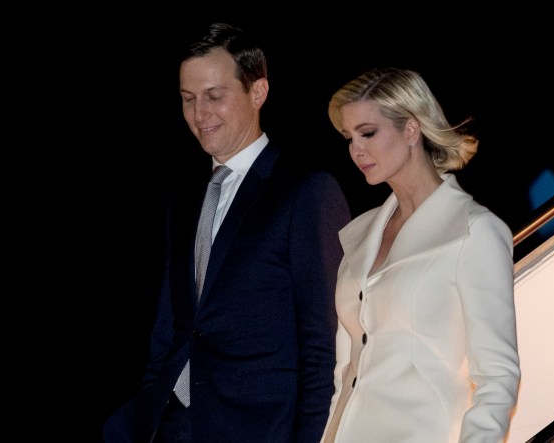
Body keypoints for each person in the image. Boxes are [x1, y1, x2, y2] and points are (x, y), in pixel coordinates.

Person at [103, 23, 351, 443]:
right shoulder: (184, 203)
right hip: (172, 424)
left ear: (258, 92)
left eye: (214, 96)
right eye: (188, 99)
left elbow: (324, 345)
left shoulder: (307, 192)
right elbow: (170, 327)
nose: (199, 114)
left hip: (259, 428)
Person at [320, 67, 521, 443]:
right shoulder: (359, 236)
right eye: (349, 138)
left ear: (411, 129)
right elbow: (346, 374)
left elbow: (497, 378)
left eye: (368, 133)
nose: (356, 150)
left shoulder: (474, 231)